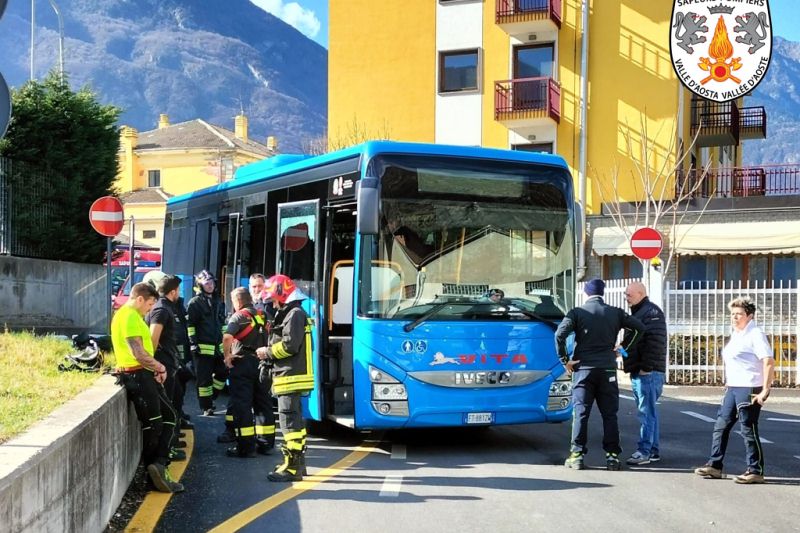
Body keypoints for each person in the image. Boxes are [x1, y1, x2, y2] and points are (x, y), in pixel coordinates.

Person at [555, 278, 645, 471]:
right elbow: (639, 328)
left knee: (581, 413)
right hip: (607, 369)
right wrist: (623, 347)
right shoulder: (615, 312)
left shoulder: (577, 313)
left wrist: (565, 361)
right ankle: (612, 456)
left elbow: (559, 335)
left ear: (587, 293)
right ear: (603, 293)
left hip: (583, 369)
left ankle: (577, 455)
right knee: (609, 415)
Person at [111, 282, 183, 493]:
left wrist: (154, 369)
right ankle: (155, 470)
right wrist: (159, 366)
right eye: (150, 304)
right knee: (158, 423)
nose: (150, 309)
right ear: (140, 298)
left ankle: (157, 467)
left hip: (142, 374)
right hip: (137, 375)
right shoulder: (130, 317)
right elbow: (138, 353)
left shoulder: (129, 315)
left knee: (164, 419)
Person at [694, 297, 775, 484]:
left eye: (739, 314)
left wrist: (765, 389)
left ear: (750, 316)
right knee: (721, 425)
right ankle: (715, 465)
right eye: (732, 314)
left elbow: (768, 361)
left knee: (748, 428)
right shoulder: (737, 333)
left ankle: (755, 470)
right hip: (733, 386)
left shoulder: (755, 334)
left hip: (749, 386)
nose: (735, 317)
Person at [256, 274, 314, 482]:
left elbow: (290, 345)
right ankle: (298, 464)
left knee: (289, 424)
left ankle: (292, 468)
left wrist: (267, 352)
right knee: (294, 423)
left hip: (291, 376)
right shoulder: (290, 312)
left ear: (283, 294)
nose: (272, 303)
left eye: (273, 298)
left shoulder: (295, 314)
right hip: (288, 375)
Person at [222, 287, 275, 458]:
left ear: (237, 301)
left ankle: (246, 447)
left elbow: (227, 337)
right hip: (262, 363)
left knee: (242, 405)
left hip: (242, 363)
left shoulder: (239, 316)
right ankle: (266, 443)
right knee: (263, 404)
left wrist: (227, 356)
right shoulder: (263, 315)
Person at [622, 281, 667, 466]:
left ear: (641, 293)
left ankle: (644, 451)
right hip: (643, 370)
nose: (626, 298)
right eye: (626, 294)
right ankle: (652, 451)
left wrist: (646, 368)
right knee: (649, 413)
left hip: (648, 372)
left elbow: (655, 343)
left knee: (646, 413)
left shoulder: (651, 313)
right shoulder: (643, 311)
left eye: (629, 295)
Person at [145, 274, 188, 462]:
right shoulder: (161, 309)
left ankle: (170, 443)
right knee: (167, 409)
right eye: (178, 290)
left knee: (175, 400)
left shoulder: (167, 307)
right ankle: (165, 451)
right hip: (163, 365)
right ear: (173, 291)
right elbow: (153, 339)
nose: (179, 293)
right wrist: (155, 365)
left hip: (168, 363)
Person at [187, 270, 227, 416]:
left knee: (223, 372)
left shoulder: (218, 302)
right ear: (200, 285)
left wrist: (225, 341)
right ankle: (206, 407)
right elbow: (190, 325)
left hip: (218, 347)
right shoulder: (195, 303)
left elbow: (222, 323)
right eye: (206, 283)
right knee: (203, 380)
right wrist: (193, 343)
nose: (210, 286)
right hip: (202, 349)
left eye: (212, 282)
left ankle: (213, 396)